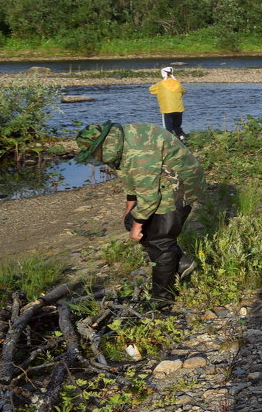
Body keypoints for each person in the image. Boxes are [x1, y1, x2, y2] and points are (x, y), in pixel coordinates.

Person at [74, 121, 203, 307]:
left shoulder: (137, 152)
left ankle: (162, 298)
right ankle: (181, 262)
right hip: (161, 178)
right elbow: (130, 179)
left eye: (96, 154)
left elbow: (149, 197)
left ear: (104, 145)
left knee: (160, 240)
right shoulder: (119, 143)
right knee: (131, 220)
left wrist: (137, 227)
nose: (97, 158)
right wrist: (130, 212)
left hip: (182, 183)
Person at [148, 66, 187, 141]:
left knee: (168, 129)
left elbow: (151, 90)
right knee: (177, 127)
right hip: (179, 109)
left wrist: (164, 79)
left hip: (167, 110)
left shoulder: (161, 84)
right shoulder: (178, 84)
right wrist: (174, 79)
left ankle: (169, 143)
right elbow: (183, 91)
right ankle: (182, 137)